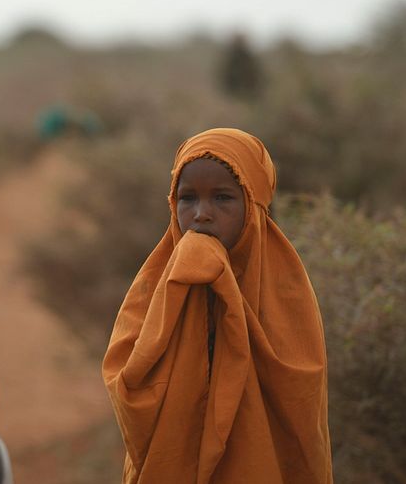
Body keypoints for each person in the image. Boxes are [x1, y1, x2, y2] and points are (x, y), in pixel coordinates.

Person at [103, 128, 332, 483]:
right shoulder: (154, 286)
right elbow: (128, 382)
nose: (201, 214)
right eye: (187, 198)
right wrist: (179, 289)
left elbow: (300, 406)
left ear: (254, 205)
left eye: (223, 198)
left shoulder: (287, 291)